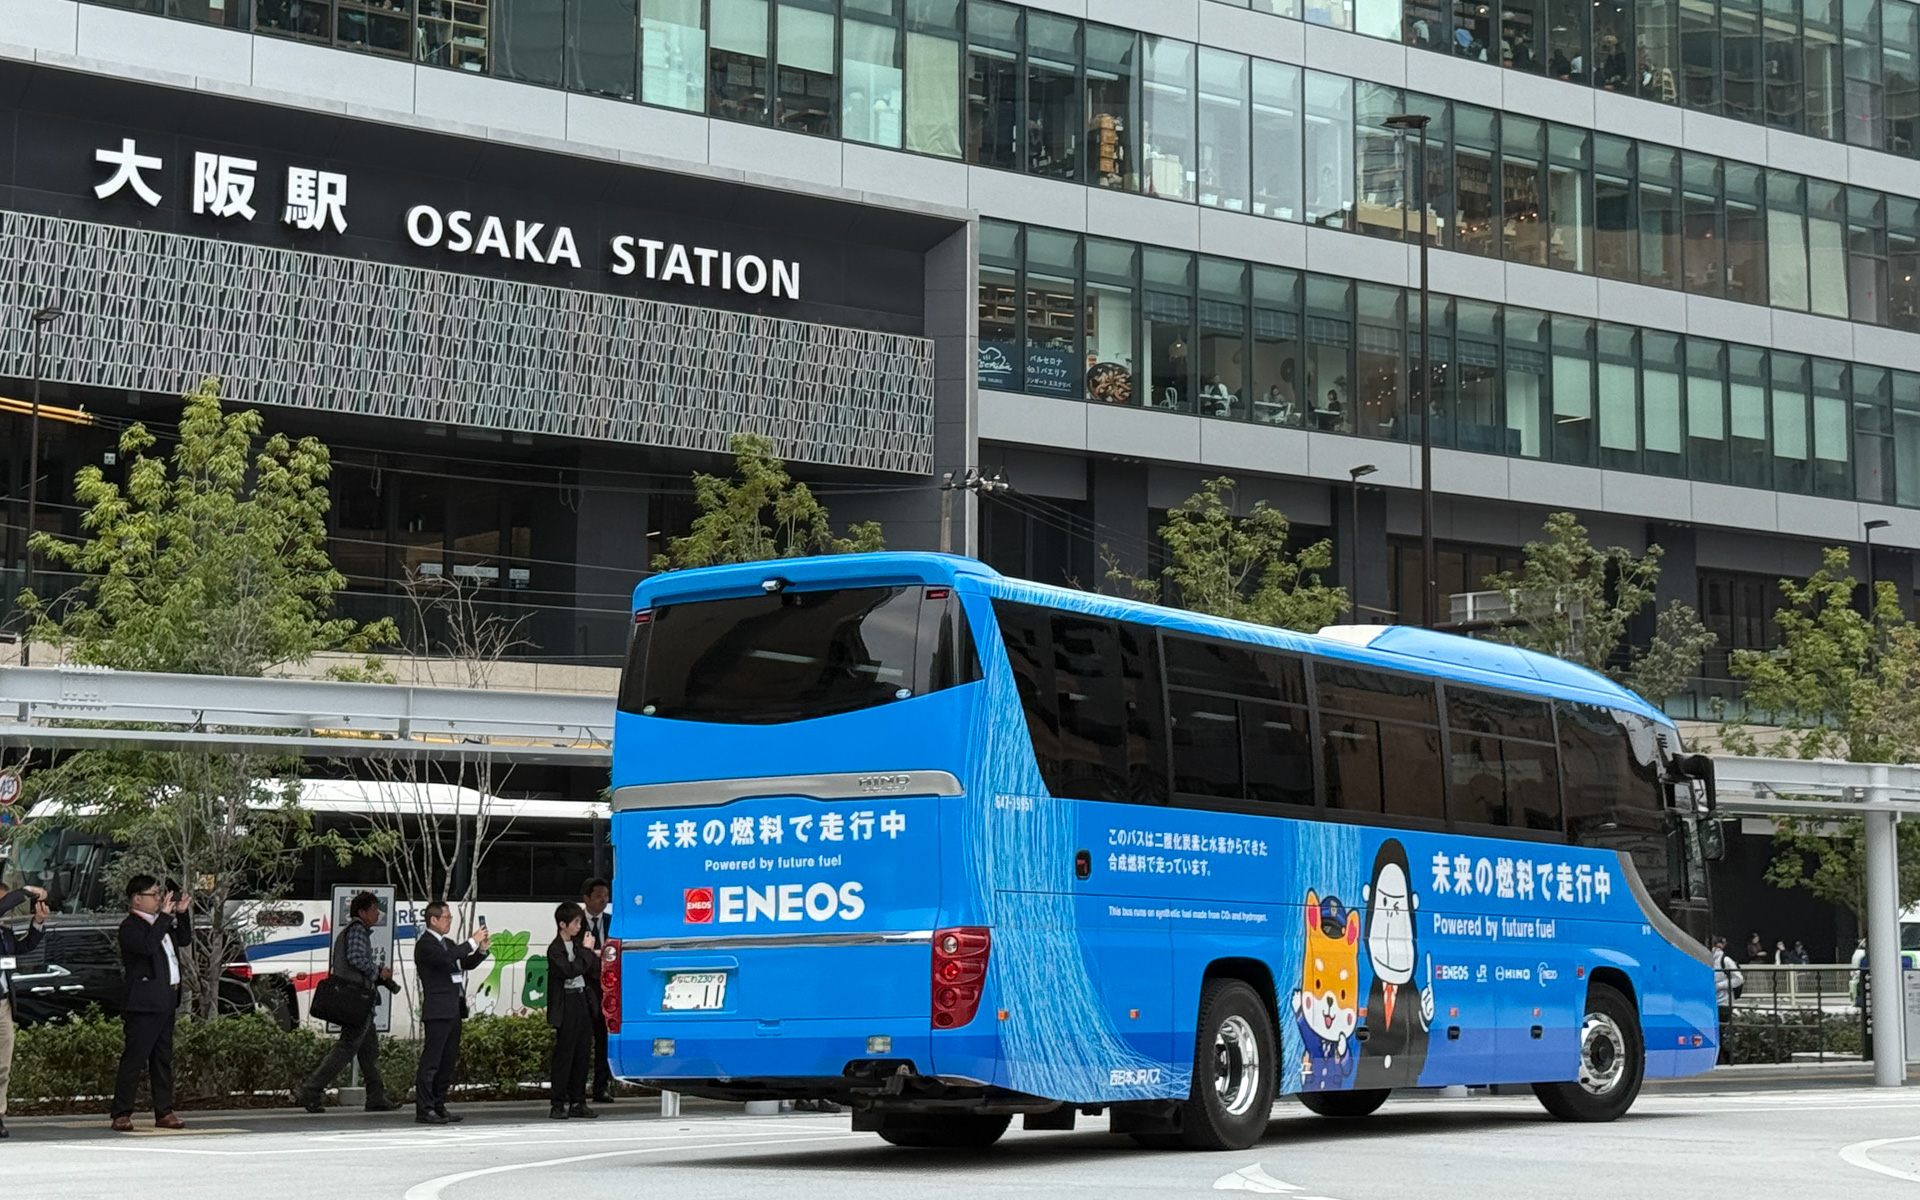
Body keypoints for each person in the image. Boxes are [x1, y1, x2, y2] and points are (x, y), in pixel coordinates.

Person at [297, 891, 402, 1114]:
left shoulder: (356, 931)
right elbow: (356, 958)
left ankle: (376, 1096)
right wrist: (377, 972)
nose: (377, 913)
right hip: (356, 1001)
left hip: (359, 1001)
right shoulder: (357, 931)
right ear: (362, 912)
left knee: (369, 1051)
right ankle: (312, 1089)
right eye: (374, 909)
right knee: (346, 1048)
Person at [111, 875, 192, 1132]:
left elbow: (185, 939)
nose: (159, 899)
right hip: (143, 1003)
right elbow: (146, 947)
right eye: (154, 895)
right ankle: (121, 1112)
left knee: (162, 1058)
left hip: (166, 998)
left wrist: (182, 914)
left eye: (159, 894)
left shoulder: (161, 923)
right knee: (135, 1059)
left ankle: (164, 1110)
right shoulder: (130, 927)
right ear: (137, 899)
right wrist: (166, 918)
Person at [413, 900, 490, 1125]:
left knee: (447, 1061)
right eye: (446, 918)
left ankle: (439, 1104)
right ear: (433, 920)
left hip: (453, 1007)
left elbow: (463, 962)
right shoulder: (426, 944)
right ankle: (424, 1108)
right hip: (437, 1009)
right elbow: (446, 959)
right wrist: (471, 941)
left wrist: (481, 950)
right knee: (432, 1061)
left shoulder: (447, 942)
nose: (449, 921)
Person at [0, 884, 48, 1139]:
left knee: (3, 1064)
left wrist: (38, 923)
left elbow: (24, 947)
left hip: (3, 1002)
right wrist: (27, 890)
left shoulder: (4, 934)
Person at [546, 901, 599, 1120]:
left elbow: (589, 969)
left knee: (582, 1052)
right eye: (575, 922)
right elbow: (570, 970)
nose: (579, 926)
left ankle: (579, 1100)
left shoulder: (577, 945)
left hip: (581, 1000)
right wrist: (587, 952)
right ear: (562, 924)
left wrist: (589, 954)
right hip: (566, 1003)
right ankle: (558, 1103)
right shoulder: (555, 949)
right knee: (565, 1054)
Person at [580, 878, 617, 1104]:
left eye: (606, 896)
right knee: (583, 1041)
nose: (604, 900)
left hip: (607, 988)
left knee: (604, 1039)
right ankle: (577, 1088)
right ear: (586, 898)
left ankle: (601, 1088)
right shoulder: (576, 924)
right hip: (584, 988)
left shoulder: (612, 922)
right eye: (599, 896)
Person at [1710, 936, 1743, 1065]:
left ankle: (1724, 1059)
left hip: (1723, 1002)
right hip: (1712, 1002)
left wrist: (1720, 986)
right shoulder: (1707, 959)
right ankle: (1723, 1059)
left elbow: (1739, 979)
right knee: (1717, 1032)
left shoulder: (1725, 960)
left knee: (1720, 1032)